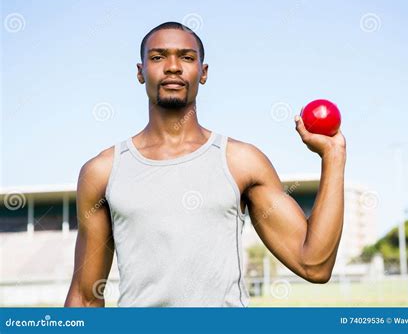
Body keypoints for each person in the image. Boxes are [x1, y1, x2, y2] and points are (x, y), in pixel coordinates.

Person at [64, 22, 346, 307]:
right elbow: (85, 297)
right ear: (140, 72)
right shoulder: (102, 171)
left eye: (186, 57)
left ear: (203, 72)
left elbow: (314, 265)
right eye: (158, 57)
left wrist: (333, 157)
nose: (173, 67)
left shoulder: (241, 161)